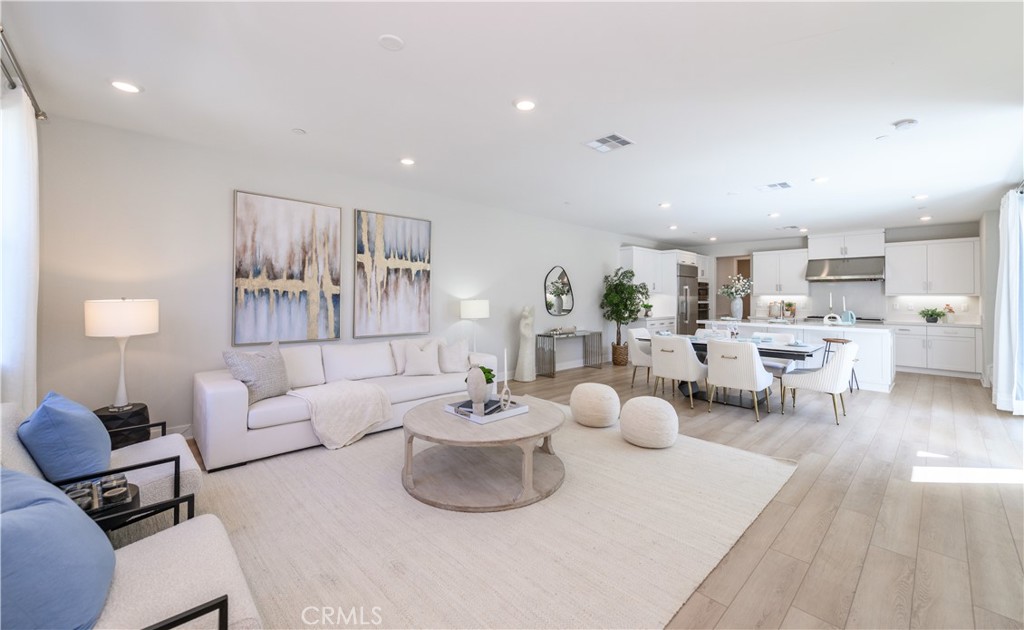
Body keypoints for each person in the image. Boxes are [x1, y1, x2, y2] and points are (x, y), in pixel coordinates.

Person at [514, 306, 536, 381]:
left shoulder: (531, 319)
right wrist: (526, 335)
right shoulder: (522, 320)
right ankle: (523, 376)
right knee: (525, 354)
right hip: (525, 338)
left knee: (530, 355)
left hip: (530, 337)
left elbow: (531, 327)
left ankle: (530, 375)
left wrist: (530, 335)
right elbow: (521, 329)